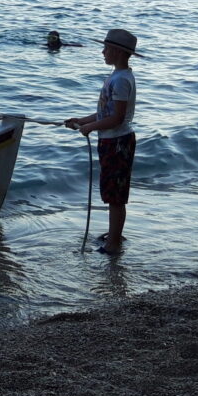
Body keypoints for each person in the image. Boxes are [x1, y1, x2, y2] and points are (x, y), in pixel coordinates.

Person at [64, 28, 140, 256]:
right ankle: (114, 235)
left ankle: (114, 243)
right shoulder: (117, 76)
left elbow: (117, 118)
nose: (103, 52)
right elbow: (105, 113)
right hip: (111, 141)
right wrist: (82, 120)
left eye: (106, 48)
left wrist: (90, 127)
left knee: (115, 196)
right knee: (112, 192)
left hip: (117, 142)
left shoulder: (121, 80)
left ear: (118, 52)